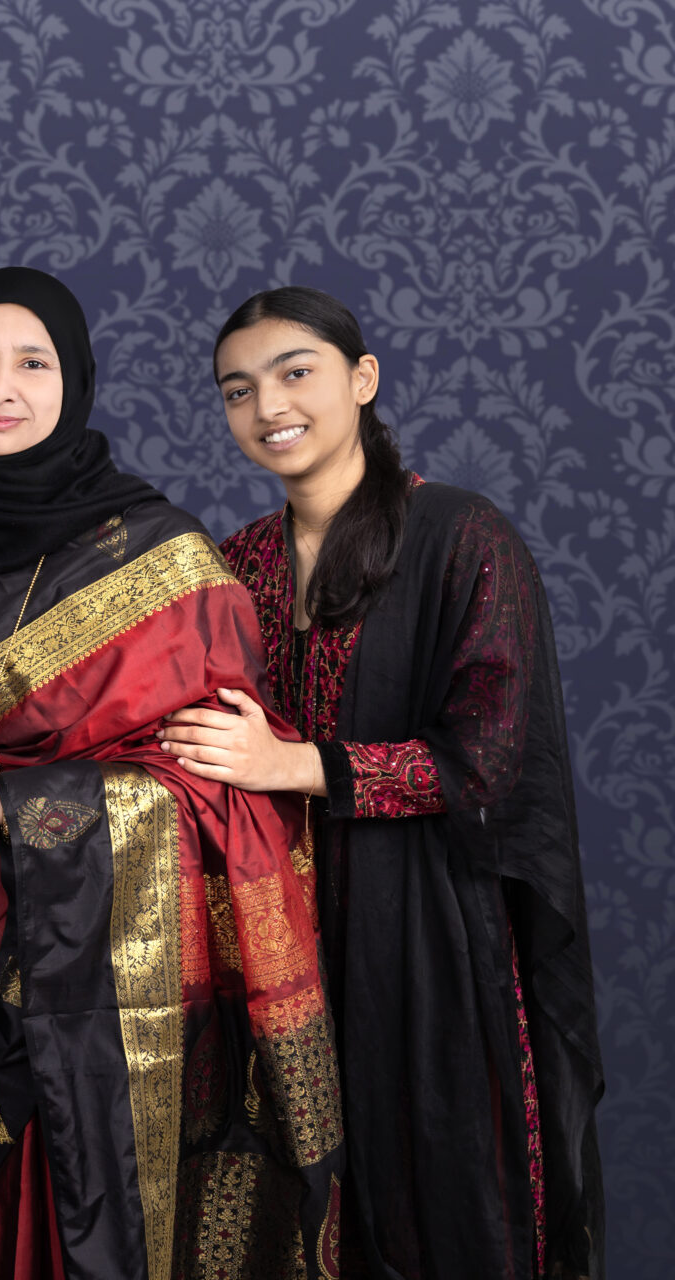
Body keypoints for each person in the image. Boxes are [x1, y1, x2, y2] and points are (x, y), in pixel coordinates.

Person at [0, 267, 345, 1278]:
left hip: (93, 997)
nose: (1, 386)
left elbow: (224, 802)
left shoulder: (163, 560)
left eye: (32, 362)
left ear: (71, 380)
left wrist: (3, 798)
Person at [159, 285, 604, 1279]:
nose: (268, 403)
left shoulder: (459, 538)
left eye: (295, 372)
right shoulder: (239, 565)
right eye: (239, 388)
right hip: (284, 948)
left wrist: (298, 766)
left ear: (363, 380)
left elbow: (487, 755)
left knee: (441, 1200)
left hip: (429, 941)